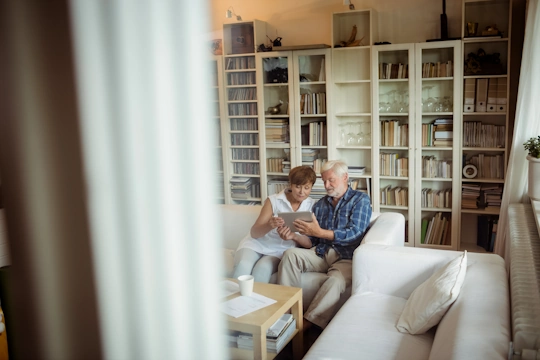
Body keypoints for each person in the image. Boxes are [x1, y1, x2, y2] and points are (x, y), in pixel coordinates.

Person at [277, 160, 372, 330]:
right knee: (290, 254)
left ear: (345, 177)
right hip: (321, 253)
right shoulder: (320, 205)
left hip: (346, 258)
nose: (327, 185)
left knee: (335, 281)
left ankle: (308, 325)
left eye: (331, 180)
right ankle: (287, 314)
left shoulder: (360, 200)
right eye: (324, 181)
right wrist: (294, 236)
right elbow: (312, 241)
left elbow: (355, 233)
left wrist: (320, 232)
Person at [231, 166, 317, 283]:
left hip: (279, 251)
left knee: (262, 270)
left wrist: (294, 236)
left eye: (307, 188)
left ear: (311, 187)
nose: (302, 192)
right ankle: (234, 301)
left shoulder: (312, 206)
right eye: (298, 187)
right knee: (243, 266)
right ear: (290, 185)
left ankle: (256, 301)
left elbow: (309, 244)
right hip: (256, 244)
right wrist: (269, 225)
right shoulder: (273, 200)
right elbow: (254, 233)